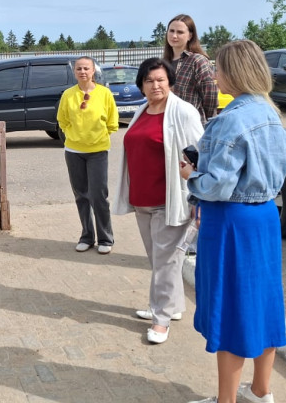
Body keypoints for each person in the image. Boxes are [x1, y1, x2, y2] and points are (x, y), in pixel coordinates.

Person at [180, 40, 286, 403]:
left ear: (234, 72)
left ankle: (226, 401)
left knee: (232, 309)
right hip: (264, 217)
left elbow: (217, 185)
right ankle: (261, 391)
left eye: (218, 68)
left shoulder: (231, 119)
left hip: (231, 221)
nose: (214, 75)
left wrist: (190, 176)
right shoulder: (271, 113)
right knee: (263, 303)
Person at [113, 57, 204, 344]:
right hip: (142, 199)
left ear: (170, 82)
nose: (155, 85)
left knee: (165, 262)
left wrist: (199, 195)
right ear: (141, 85)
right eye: (149, 80)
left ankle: (161, 319)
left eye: (161, 80)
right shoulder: (142, 110)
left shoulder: (183, 112)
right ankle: (172, 306)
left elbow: (199, 152)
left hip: (170, 200)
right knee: (160, 260)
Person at [56, 56, 119, 254]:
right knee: (81, 195)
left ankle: (105, 238)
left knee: (99, 195)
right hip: (74, 151)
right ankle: (87, 236)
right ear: (74, 72)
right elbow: (62, 120)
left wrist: (99, 137)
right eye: (79, 69)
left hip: (98, 151)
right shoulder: (68, 94)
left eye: (86, 68)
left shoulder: (104, 93)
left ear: (93, 71)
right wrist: (73, 135)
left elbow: (112, 121)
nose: (82, 72)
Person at [164, 14, 218, 124]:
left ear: (190, 36)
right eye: (171, 31)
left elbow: (210, 97)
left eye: (180, 32)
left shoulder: (197, 61)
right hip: (168, 124)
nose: (174, 35)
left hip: (192, 126)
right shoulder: (163, 63)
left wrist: (202, 121)